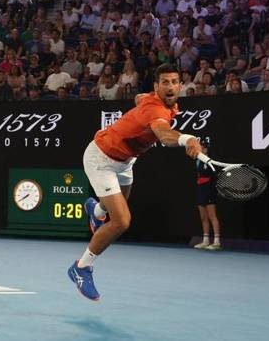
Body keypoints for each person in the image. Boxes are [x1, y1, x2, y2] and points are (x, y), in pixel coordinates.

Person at [69, 64, 204, 301]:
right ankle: (81, 267)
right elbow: (164, 135)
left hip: (126, 161)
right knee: (121, 221)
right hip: (101, 158)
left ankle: (96, 210)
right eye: (165, 82)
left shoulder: (158, 102)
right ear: (157, 86)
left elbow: (140, 99)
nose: (170, 86)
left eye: (174, 82)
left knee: (118, 202)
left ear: (180, 86)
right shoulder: (155, 109)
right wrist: (188, 138)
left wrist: (141, 99)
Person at [192, 142, 221, 251]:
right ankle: (205, 241)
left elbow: (212, 176)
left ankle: (217, 242)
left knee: (212, 216)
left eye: (203, 148)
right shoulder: (197, 160)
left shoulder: (210, 161)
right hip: (201, 189)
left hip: (209, 189)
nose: (201, 149)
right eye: (200, 147)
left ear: (207, 149)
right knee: (203, 217)